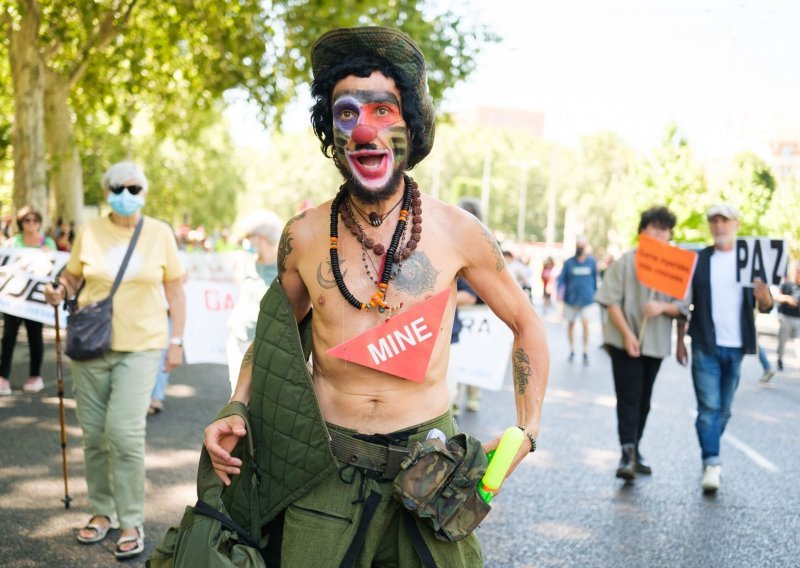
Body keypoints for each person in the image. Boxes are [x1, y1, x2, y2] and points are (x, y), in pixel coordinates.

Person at [203, 26, 549, 566]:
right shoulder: (304, 235)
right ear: (333, 132)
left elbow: (526, 323)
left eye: (383, 110)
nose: (365, 127)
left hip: (430, 472)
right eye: (347, 113)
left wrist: (527, 428)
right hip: (325, 466)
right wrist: (236, 404)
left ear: (410, 123)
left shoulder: (459, 232)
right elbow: (275, 338)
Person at [44, 161, 186, 559]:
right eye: (118, 187)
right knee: (93, 434)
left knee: (123, 434)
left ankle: (130, 519)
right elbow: (73, 278)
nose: (127, 194)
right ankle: (102, 511)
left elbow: (176, 292)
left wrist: (177, 341)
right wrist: (58, 289)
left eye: (134, 188)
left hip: (142, 346)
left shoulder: (158, 233)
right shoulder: (90, 231)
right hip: (91, 345)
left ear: (144, 192)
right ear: (106, 191)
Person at [595, 206, 689, 480]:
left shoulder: (675, 266)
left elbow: (682, 306)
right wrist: (627, 334)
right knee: (629, 397)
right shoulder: (626, 262)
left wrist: (661, 307)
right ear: (642, 233)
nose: (659, 235)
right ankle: (626, 453)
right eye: (654, 229)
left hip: (656, 343)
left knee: (645, 400)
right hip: (626, 341)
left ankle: (635, 448)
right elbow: (610, 300)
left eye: (664, 230)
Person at [686, 203, 772, 493]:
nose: (719, 226)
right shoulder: (700, 260)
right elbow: (686, 302)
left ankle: (709, 446)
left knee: (723, 411)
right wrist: (677, 341)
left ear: (736, 223)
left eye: (725, 221)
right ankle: (712, 462)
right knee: (709, 408)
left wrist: (764, 296)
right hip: (704, 343)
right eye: (714, 221)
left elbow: (766, 306)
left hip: (737, 346)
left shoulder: (750, 260)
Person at [0, 206, 57, 396]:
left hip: (35, 302)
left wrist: (49, 255)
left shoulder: (47, 242)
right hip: (13, 299)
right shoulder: (12, 243)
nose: (31, 223)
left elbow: (55, 270)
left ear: (40, 223)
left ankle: (35, 375)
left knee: (35, 337)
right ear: (21, 223)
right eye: (27, 220)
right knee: (8, 337)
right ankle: (3, 377)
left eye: (35, 220)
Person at [225, 209, 282, 393]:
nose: (246, 241)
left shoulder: (285, 268)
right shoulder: (245, 262)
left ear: (262, 237)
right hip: (240, 341)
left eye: (249, 236)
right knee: (238, 397)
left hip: (268, 346)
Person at [558, 236, 598, 365]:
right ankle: (572, 349)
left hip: (586, 300)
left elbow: (595, 280)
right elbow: (561, 279)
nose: (580, 249)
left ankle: (585, 350)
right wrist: (559, 291)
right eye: (578, 246)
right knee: (571, 324)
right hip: (571, 299)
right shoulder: (569, 263)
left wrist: (594, 293)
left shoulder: (591, 262)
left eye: (582, 246)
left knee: (586, 324)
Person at [774, 263, 800, 372]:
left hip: (798, 318)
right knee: (782, 342)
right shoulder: (786, 284)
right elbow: (776, 296)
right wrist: (787, 299)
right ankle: (779, 359)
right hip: (785, 317)